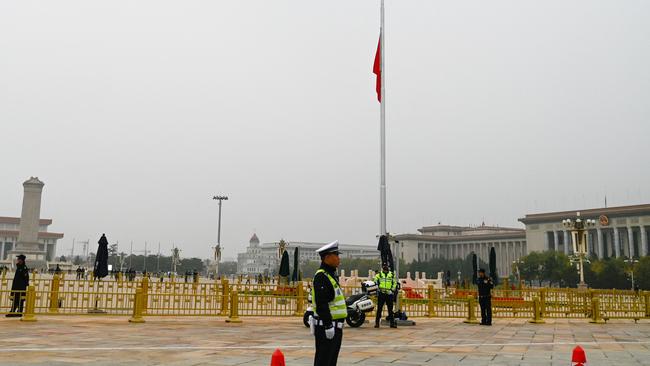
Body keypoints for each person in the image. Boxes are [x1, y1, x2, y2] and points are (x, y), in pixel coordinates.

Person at [311, 240, 346, 366]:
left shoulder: (330, 275)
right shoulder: (322, 276)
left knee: (330, 361)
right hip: (327, 327)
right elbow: (321, 304)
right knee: (324, 361)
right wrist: (328, 325)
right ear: (327, 257)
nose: (338, 258)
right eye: (336, 255)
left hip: (335, 327)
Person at [373, 262, 397, 328]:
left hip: (389, 294)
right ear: (382, 267)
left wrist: (392, 290)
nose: (385, 267)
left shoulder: (392, 274)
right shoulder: (379, 275)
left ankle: (392, 324)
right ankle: (377, 323)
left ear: (388, 267)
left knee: (390, 309)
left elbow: (395, 283)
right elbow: (375, 282)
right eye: (384, 266)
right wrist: (378, 289)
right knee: (379, 309)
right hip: (382, 293)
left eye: (386, 266)